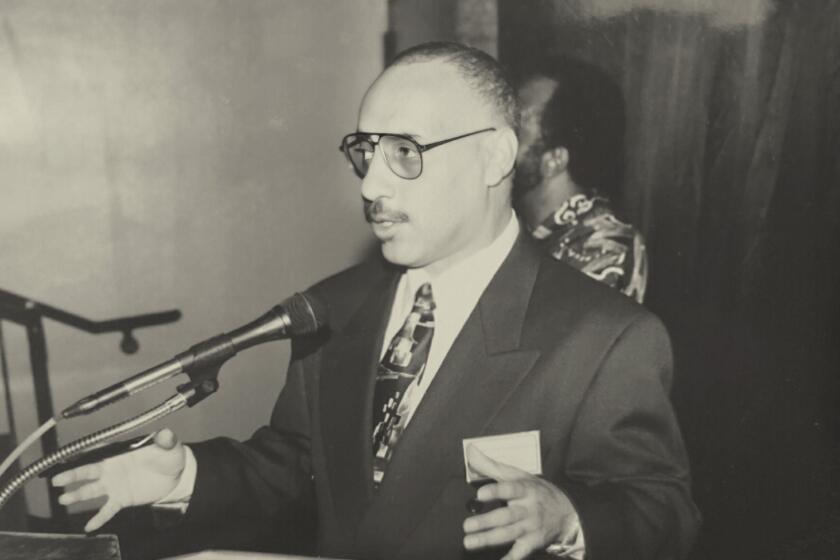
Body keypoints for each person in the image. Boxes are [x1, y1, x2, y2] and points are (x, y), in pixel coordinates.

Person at [52, 42, 699, 560]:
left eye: (405, 153)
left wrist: (569, 517)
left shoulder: (605, 335)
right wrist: (188, 477)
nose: (372, 183)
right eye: (364, 152)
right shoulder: (336, 308)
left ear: (494, 156)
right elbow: (297, 466)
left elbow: (662, 512)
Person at [514, 56, 648, 303]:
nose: (498, 140)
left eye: (517, 127)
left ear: (555, 161)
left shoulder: (606, 244)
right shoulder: (518, 227)